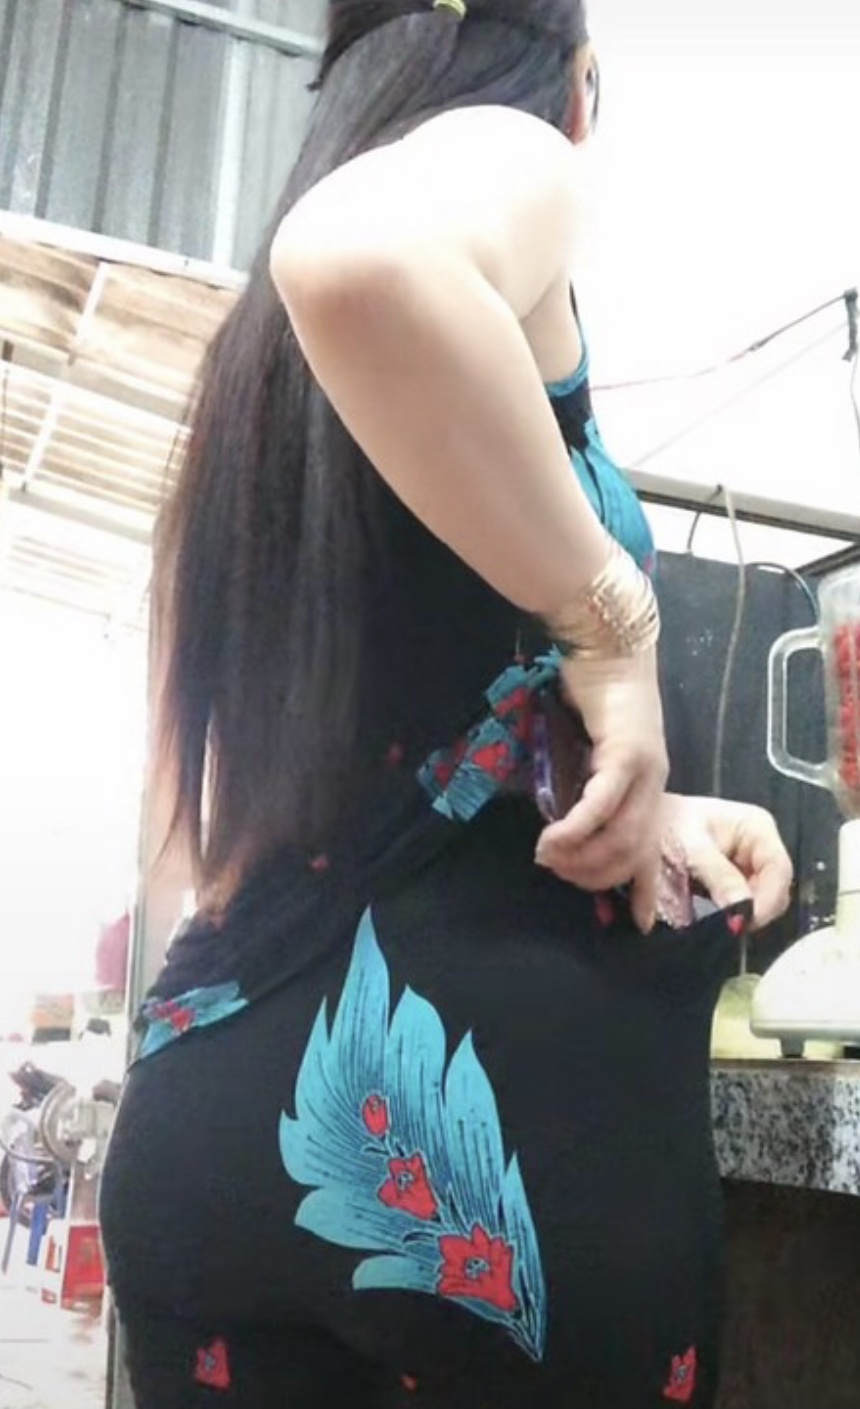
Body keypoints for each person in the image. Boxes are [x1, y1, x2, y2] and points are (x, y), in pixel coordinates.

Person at [99, 3, 793, 1406]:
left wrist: (652, 799)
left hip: (201, 1131)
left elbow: (302, 797)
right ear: (580, 85)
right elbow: (363, 258)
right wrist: (613, 623)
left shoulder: (250, 390)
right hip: (484, 1144)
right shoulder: (519, 152)